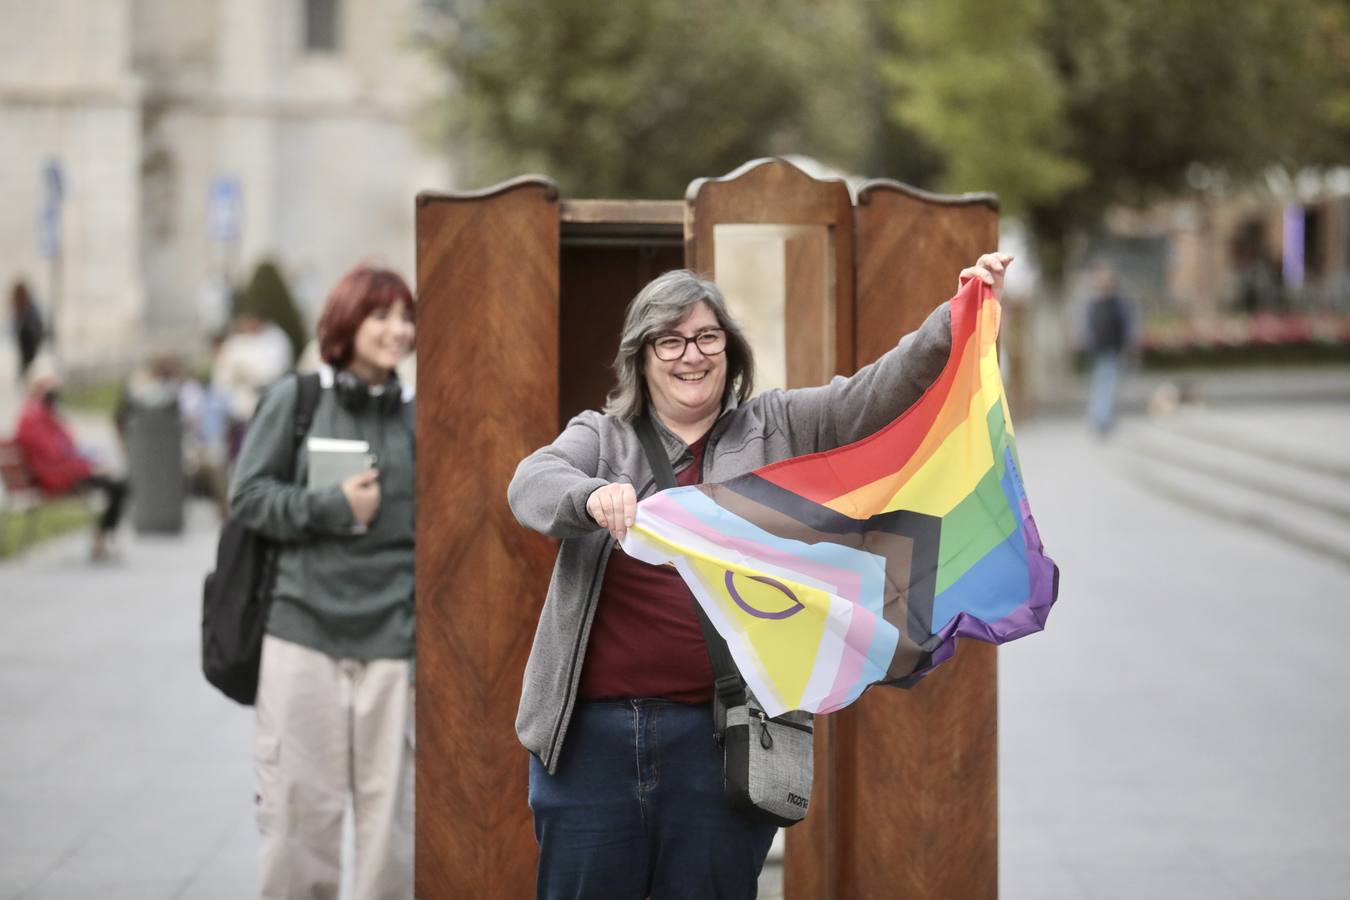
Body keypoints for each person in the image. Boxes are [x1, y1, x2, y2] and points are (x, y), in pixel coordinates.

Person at [508, 254, 1012, 899]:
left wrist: (959, 311)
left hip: (721, 741)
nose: (692, 355)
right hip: (588, 746)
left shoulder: (778, 426)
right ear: (642, 356)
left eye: (707, 337)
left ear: (729, 349)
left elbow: (877, 391)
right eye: (671, 340)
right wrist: (590, 499)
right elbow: (531, 484)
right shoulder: (601, 438)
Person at [229, 264, 417, 900]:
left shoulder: (422, 414)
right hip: (303, 631)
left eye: (405, 317)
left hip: (395, 642)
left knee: (391, 830)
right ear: (347, 320)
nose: (398, 330)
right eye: (382, 315)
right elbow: (248, 497)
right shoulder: (299, 398)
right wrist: (332, 508)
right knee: (297, 823)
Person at [13, 356, 127, 560]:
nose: (55, 390)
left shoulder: (44, 414)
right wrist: (89, 469)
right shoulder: (33, 418)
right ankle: (102, 539)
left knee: (117, 482)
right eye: (49, 385)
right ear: (36, 386)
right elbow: (53, 459)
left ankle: (102, 539)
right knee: (118, 486)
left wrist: (92, 464)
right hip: (58, 479)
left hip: (66, 473)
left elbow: (68, 448)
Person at [213, 310, 295, 461]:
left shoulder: (274, 340)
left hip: (270, 407)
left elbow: (274, 372)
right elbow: (223, 380)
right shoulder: (235, 345)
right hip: (244, 411)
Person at [1079, 263, 1140, 436]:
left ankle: (1102, 417)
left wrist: (1129, 347)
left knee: (1106, 385)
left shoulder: (1119, 304)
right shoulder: (1095, 303)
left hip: (1112, 350)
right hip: (1100, 350)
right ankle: (1101, 418)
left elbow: (1127, 328)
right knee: (1102, 385)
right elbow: (1089, 327)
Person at [10, 279, 44, 380]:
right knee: (26, 374)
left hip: (30, 347)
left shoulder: (29, 310)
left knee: (28, 374)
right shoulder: (26, 309)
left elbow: (35, 330)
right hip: (27, 349)